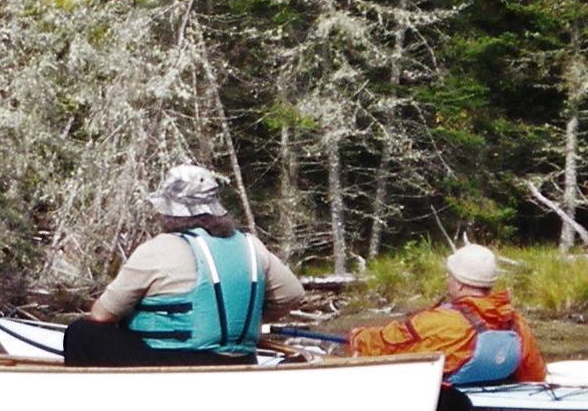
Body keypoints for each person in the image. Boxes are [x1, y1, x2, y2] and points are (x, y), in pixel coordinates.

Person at [64, 163, 314, 364]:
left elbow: (101, 315)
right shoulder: (251, 246)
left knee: (80, 333)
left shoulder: (157, 249)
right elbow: (292, 294)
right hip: (240, 361)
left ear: (170, 212)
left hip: (175, 362)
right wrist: (246, 323)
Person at [344, 242, 546, 389]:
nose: (448, 280)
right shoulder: (514, 322)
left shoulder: (439, 323)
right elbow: (534, 376)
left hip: (453, 403)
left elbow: (388, 343)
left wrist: (357, 337)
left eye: (450, 276)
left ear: (459, 283)